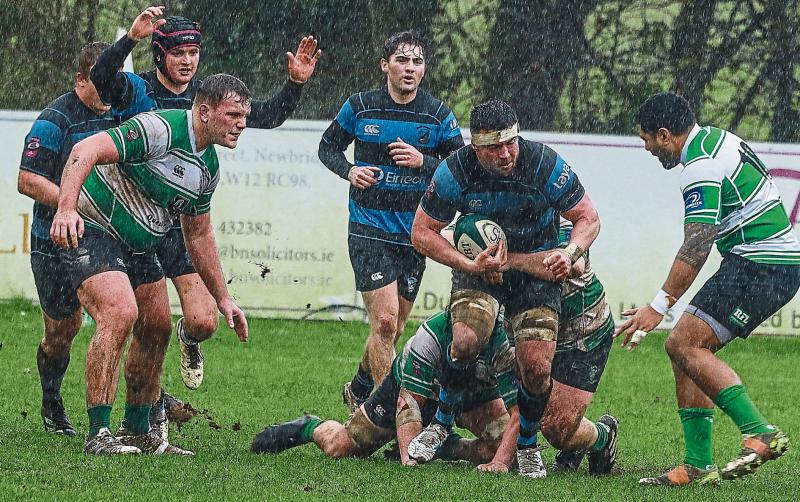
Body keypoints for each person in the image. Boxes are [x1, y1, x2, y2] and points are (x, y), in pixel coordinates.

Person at [91, 6, 321, 391]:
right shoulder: (137, 90)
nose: (186, 61)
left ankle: (187, 340)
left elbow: (266, 115)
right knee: (149, 325)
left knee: (203, 321)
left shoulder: (209, 103)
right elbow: (101, 78)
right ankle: (150, 404)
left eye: (193, 53)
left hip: (176, 228)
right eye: (178, 53)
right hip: (129, 222)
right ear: (160, 54)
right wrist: (130, 38)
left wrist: (295, 83)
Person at [50, 74, 251, 455]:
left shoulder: (207, 169)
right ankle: (99, 434)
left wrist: (224, 299)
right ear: (205, 112)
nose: (242, 123)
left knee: (157, 326)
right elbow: (86, 148)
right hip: (94, 228)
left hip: (140, 247)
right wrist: (65, 208)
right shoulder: (159, 128)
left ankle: (138, 430)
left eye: (245, 115)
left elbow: (198, 236)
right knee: (119, 311)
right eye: (234, 114)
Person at [616, 91, 800, 486]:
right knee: (682, 346)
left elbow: (697, 245)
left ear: (664, 135)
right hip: (762, 261)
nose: (648, 148)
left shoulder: (699, 165)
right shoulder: (716, 137)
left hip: (763, 265)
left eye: (647, 139)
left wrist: (657, 305)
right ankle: (697, 465)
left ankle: (760, 433)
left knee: (684, 344)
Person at [409, 99, 600, 478]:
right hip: (479, 270)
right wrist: (468, 264)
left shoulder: (544, 164)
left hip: (534, 275)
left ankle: (527, 444)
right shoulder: (456, 172)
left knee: (537, 367)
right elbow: (421, 232)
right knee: (464, 340)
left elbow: (588, 217)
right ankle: (442, 421)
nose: (505, 153)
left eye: (510, 142)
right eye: (494, 147)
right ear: (475, 147)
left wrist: (571, 251)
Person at [318, 31, 464, 414]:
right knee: (383, 324)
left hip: (415, 234)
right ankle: (387, 415)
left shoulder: (437, 115)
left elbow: (462, 168)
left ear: (424, 69)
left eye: (417, 62)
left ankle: (359, 387)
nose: (410, 69)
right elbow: (327, 147)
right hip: (368, 228)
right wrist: (349, 172)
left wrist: (423, 162)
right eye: (402, 61)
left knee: (395, 329)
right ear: (385, 65)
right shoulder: (360, 107)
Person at [17, 42, 156, 437]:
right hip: (54, 239)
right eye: (101, 82)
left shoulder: (121, 112)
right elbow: (26, 180)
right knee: (63, 332)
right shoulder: (54, 120)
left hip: (105, 239)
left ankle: (142, 407)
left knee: (123, 314)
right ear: (81, 80)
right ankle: (51, 397)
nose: (110, 89)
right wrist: (70, 201)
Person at [410, 221, 618, 476]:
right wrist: (473, 254)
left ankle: (603, 436)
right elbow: (450, 233)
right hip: (526, 325)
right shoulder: (501, 205)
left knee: (557, 429)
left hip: (581, 329)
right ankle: (443, 425)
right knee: (529, 394)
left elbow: (573, 266)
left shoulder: (553, 212)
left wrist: (509, 260)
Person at [251, 310, 518, 471]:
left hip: (473, 393)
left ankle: (447, 446)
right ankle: (309, 427)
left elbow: (519, 412)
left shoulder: (503, 342)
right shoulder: (431, 337)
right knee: (342, 446)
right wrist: (411, 457)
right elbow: (409, 405)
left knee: (498, 448)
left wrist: (502, 463)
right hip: (413, 390)